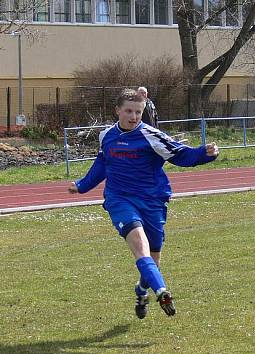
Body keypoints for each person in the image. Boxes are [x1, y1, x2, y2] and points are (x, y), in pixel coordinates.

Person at [68, 89, 220, 319]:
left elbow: (181, 155)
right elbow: (102, 165)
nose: (133, 116)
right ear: (117, 110)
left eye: (138, 112)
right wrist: (83, 185)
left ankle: (141, 291)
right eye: (128, 111)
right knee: (140, 245)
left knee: (153, 259)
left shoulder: (151, 136)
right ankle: (162, 292)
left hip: (152, 201)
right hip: (119, 199)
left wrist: (205, 153)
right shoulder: (107, 136)